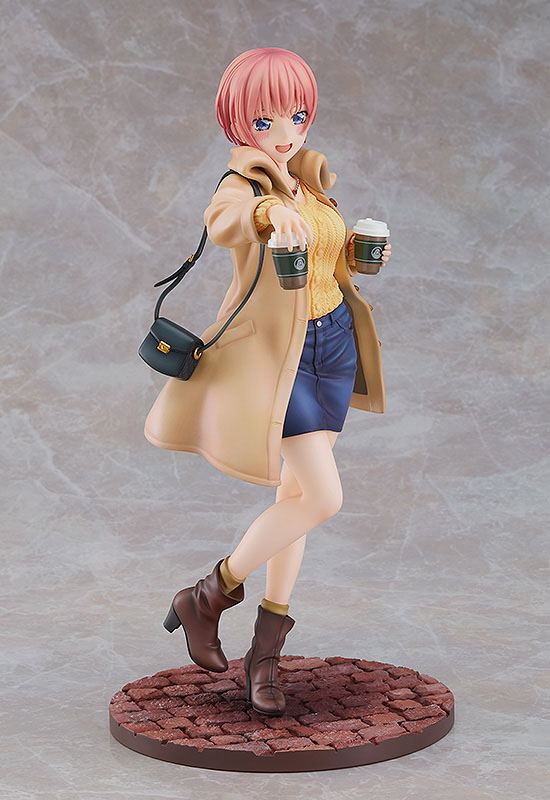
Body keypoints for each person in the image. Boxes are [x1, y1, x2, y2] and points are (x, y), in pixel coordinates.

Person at [149, 47, 391, 716]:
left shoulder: (308, 180)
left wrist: (352, 251)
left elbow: (321, 258)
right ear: (238, 122)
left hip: (334, 345)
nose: (285, 133)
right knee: (323, 497)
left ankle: (265, 653)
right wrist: (265, 215)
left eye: (297, 115)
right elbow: (223, 220)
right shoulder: (244, 186)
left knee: (297, 498)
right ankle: (208, 595)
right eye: (265, 120)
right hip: (282, 358)